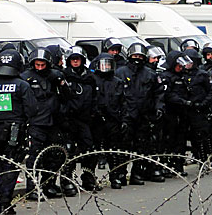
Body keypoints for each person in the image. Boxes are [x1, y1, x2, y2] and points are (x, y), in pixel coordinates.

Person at [0, 50, 37, 214]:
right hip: (15, 132)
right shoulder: (22, 85)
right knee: (11, 165)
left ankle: (2, 199)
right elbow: (32, 110)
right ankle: (5, 203)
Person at [114, 43, 165, 184]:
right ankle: (120, 174)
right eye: (135, 56)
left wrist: (159, 108)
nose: (137, 59)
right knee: (123, 146)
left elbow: (158, 94)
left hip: (144, 115)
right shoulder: (120, 72)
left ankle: (137, 173)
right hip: (126, 115)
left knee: (141, 146)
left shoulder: (150, 74)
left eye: (140, 56)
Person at [21, 48, 67, 201]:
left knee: (54, 154)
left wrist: (61, 83)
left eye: (42, 65)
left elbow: (66, 96)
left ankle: (49, 184)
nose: (40, 68)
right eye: (37, 65)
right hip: (36, 123)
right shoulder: (26, 78)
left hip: (53, 122)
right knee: (35, 156)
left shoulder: (55, 76)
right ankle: (32, 188)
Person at [60, 47, 99, 194]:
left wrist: (93, 113)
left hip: (85, 119)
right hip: (69, 119)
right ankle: (67, 180)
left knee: (89, 148)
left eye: (78, 59)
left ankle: (88, 178)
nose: (75, 62)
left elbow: (95, 97)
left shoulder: (89, 77)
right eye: (73, 59)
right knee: (69, 150)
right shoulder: (64, 77)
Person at [89, 53, 127, 189]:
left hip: (113, 120)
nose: (105, 68)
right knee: (94, 151)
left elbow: (123, 103)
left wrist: (123, 120)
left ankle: (114, 176)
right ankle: (91, 178)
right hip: (97, 120)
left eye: (108, 65)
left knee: (114, 150)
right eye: (103, 65)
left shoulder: (117, 82)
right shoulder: (93, 80)